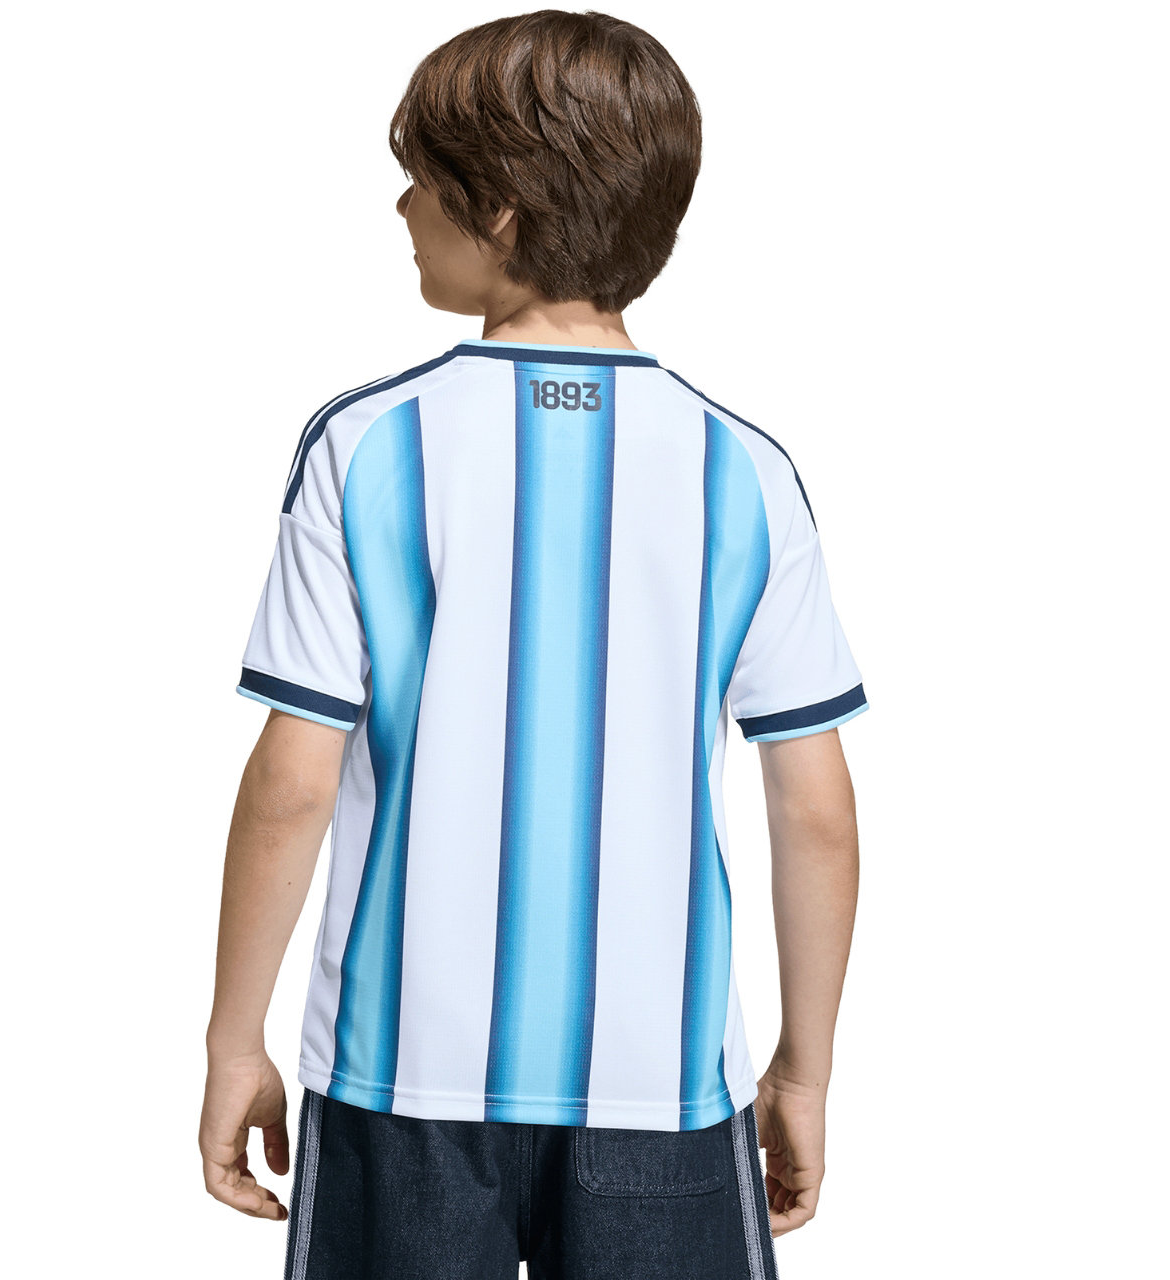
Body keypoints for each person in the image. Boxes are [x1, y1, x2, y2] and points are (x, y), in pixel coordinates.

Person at [199, 10, 866, 1278]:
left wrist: (236, 1040)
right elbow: (813, 804)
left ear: (498, 210)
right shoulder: (743, 468)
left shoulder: (366, 444)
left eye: (420, 178)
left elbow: (293, 779)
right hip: (664, 1075)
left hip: (397, 1074)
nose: (400, 206)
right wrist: (802, 1069)